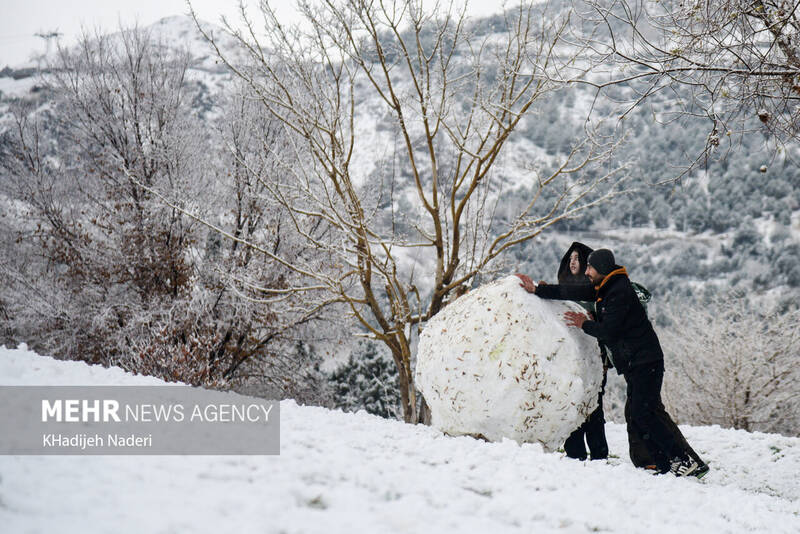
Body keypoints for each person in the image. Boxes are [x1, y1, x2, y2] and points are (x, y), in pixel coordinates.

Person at [518, 248, 706, 478]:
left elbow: (609, 330)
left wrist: (583, 323)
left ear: (602, 268)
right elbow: (573, 290)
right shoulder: (606, 287)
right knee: (640, 414)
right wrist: (539, 290)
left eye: (590, 267)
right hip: (636, 363)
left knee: (644, 413)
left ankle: (682, 460)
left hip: (646, 362)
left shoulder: (618, 292)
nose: (587, 272)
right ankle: (665, 464)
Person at [546, 242, 609, 461]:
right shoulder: (563, 289)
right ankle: (575, 452)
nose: (573, 262)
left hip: (594, 357)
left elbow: (606, 322)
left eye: (578, 258)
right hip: (569, 357)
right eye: (570, 258)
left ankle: (598, 453)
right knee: (570, 401)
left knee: (593, 404)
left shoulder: (594, 290)